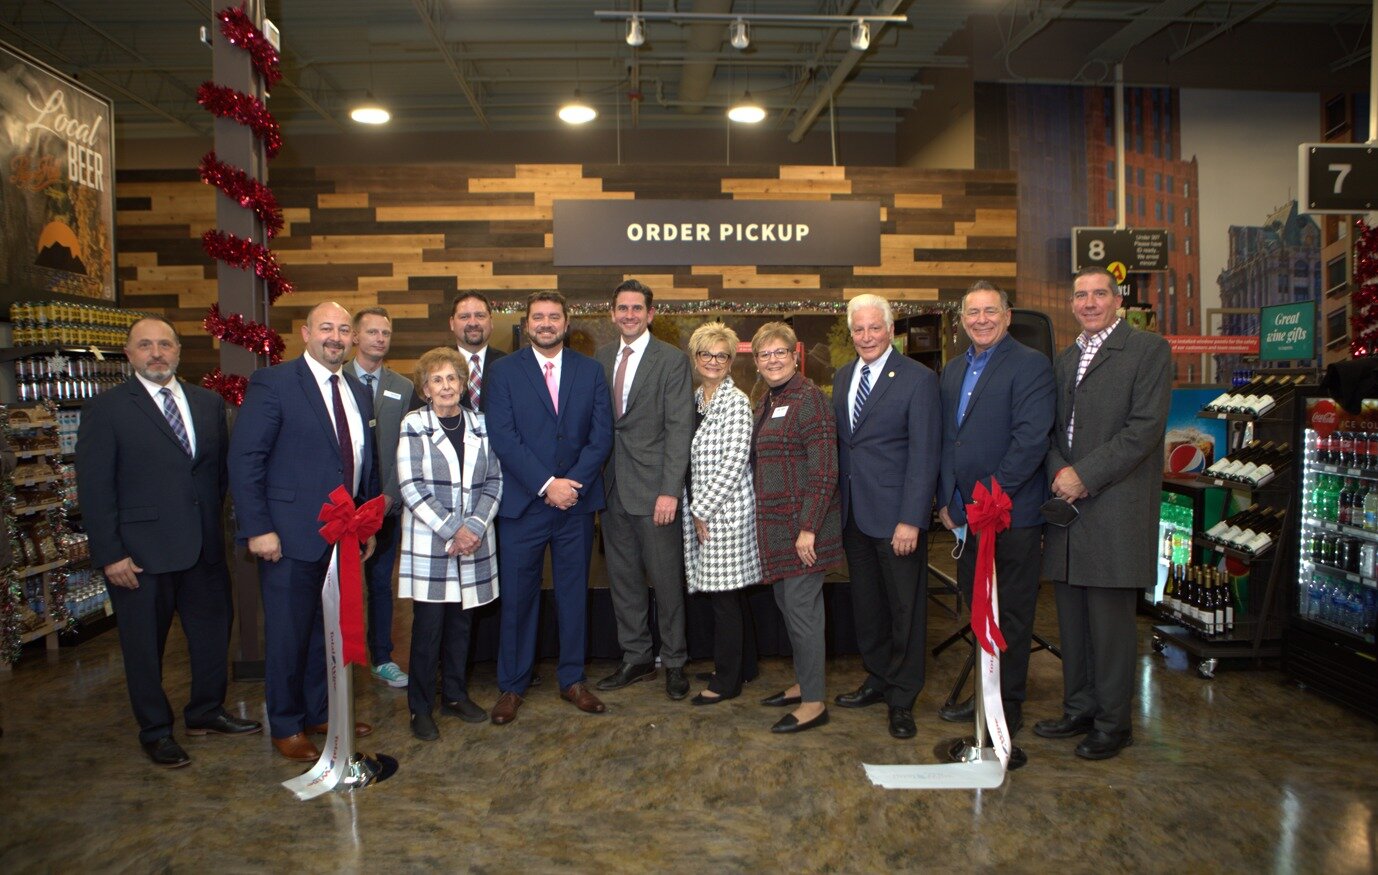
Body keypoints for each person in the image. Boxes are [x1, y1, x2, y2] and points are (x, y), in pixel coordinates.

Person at [76, 317, 261, 768]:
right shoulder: (108, 409)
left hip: (203, 550)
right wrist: (111, 553)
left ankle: (206, 711)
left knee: (213, 636)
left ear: (178, 351)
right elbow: (94, 489)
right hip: (139, 557)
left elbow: (217, 477)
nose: (156, 353)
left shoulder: (207, 403)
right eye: (145, 345)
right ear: (129, 353)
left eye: (164, 344)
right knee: (144, 648)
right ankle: (155, 730)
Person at [229, 301, 381, 762]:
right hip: (289, 536)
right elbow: (246, 458)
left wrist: (366, 521)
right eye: (326, 328)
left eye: (342, 330)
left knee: (327, 629)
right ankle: (287, 723)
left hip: (343, 533)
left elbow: (357, 458)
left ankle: (319, 711)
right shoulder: (274, 383)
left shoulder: (356, 389)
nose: (335, 337)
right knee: (289, 633)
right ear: (305, 333)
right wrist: (258, 528)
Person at [1034, 266, 1171, 760]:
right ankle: (1079, 708)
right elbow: (1051, 432)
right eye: (1080, 296)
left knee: (1110, 626)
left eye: (1098, 294)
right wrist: (1058, 472)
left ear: (1118, 300)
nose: (1089, 303)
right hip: (1068, 509)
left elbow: (1143, 430)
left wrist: (1082, 476)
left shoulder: (1148, 351)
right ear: (1071, 304)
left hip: (1114, 507)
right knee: (1071, 617)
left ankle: (1114, 723)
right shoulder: (1065, 359)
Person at [483, 291, 614, 724]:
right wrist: (546, 485)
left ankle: (573, 679)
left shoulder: (590, 371)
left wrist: (569, 486)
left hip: (575, 504)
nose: (545, 323)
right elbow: (503, 436)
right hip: (524, 504)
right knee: (518, 598)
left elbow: (601, 436)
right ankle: (512, 685)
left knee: (573, 594)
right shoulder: (502, 373)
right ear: (526, 323)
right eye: (538, 317)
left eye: (553, 317)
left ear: (566, 322)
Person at [936, 282, 1055, 743]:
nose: (981, 319)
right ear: (962, 320)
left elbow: (1030, 441)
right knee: (979, 611)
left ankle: (1009, 704)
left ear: (1007, 316)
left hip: (1012, 516)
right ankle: (986, 696)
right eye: (972, 313)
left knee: (1013, 615)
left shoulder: (1030, 365)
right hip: (965, 518)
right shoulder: (952, 370)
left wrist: (991, 498)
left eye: (990, 311)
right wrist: (947, 499)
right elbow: (949, 439)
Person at [831, 294, 940, 740]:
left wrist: (912, 518)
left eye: (875, 328)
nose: (866, 336)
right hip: (855, 516)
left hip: (898, 520)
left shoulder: (918, 379)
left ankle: (902, 696)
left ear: (890, 329)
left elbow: (925, 453)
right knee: (868, 608)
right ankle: (876, 678)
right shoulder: (841, 377)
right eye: (858, 329)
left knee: (905, 610)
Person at [594, 280, 694, 700]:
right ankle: (636, 657)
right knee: (624, 580)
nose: (629, 315)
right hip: (611, 487)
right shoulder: (599, 359)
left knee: (667, 581)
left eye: (637, 308)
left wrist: (670, 490)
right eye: (622, 308)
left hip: (656, 492)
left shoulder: (671, 360)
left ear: (651, 314)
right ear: (612, 313)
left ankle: (674, 661)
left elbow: (679, 428)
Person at [397, 348, 503, 741]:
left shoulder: (481, 424)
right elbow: (411, 486)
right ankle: (420, 707)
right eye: (437, 380)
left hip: (474, 541)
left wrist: (474, 526)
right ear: (425, 388)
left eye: (452, 379)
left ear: (464, 385)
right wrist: (453, 529)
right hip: (434, 543)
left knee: (462, 624)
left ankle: (455, 696)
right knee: (428, 630)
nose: (446, 386)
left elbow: (495, 480)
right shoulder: (414, 424)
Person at [750, 322, 843, 733]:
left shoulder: (809, 400)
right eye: (764, 354)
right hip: (778, 527)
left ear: (794, 355)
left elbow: (825, 471)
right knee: (791, 608)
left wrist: (809, 528)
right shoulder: (769, 400)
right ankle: (805, 682)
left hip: (805, 530)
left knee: (803, 613)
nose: (772, 360)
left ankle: (814, 701)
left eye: (779, 353)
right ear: (756, 362)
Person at [681, 322, 761, 706]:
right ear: (696, 358)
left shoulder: (736, 402)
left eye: (721, 355)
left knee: (725, 597)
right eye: (706, 354)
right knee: (730, 595)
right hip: (708, 510)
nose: (713, 361)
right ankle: (743, 665)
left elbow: (734, 463)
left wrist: (700, 510)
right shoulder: (698, 398)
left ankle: (727, 680)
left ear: (731, 361)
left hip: (726, 512)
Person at [351, 306, 422, 690]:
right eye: (372, 332)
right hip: (341, 509)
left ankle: (382, 657)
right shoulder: (336, 379)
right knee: (339, 586)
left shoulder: (403, 386)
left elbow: (409, 449)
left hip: (386, 506)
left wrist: (390, 498)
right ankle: (337, 658)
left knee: (380, 582)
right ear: (355, 337)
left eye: (386, 333)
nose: (380, 339)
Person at [452, 291, 505, 412]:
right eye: (464, 317)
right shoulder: (434, 366)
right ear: (452, 323)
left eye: (480, 316)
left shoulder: (510, 366)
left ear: (491, 322)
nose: (473, 323)